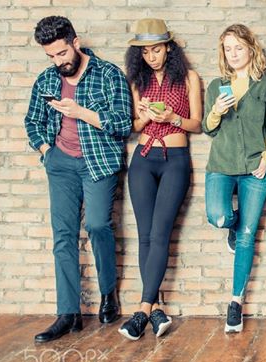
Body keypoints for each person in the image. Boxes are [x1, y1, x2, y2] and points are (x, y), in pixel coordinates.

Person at [24, 16, 132, 342]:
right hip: (60, 165)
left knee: (98, 225)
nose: (58, 62)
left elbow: (124, 123)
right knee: (63, 235)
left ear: (75, 42)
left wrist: (81, 112)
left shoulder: (108, 74)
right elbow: (32, 121)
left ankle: (108, 292)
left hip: (98, 163)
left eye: (61, 53)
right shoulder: (46, 80)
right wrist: (46, 150)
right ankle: (68, 313)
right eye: (51, 57)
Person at [117, 18, 202, 340]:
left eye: (156, 49)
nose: (152, 57)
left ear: (169, 47)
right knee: (145, 235)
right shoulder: (137, 81)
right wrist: (144, 116)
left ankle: (141, 310)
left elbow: (197, 124)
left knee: (161, 233)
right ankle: (152, 310)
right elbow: (133, 127)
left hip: (175, 160)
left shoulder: (190, 78)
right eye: (145, 52)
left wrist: (172, 118)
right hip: (142, 159)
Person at [203, 24, 266, 333]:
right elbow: (209, 129)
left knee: (248, 234)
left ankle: (236, 302)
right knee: (219, 217)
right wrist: (217, 111)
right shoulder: (216, 86)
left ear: (250, 48)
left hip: (255, 169)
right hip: (221, 165)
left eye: (238, 47)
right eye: (227, 48)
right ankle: (231, 228)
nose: (233, 54)